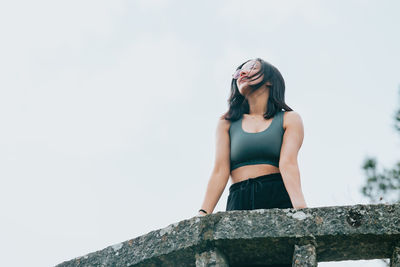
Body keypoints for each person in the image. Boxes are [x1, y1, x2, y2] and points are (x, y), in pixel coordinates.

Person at [197, 58, 307, 217]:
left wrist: (301, 209)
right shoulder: (226, 123)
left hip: (276, 194)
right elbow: (220, 170)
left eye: (252, 68)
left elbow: (288, 164)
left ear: (269, 80)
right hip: (238, 198)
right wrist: (203, 212)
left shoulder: (290, 119)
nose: (242, 73)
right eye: (238, 72)